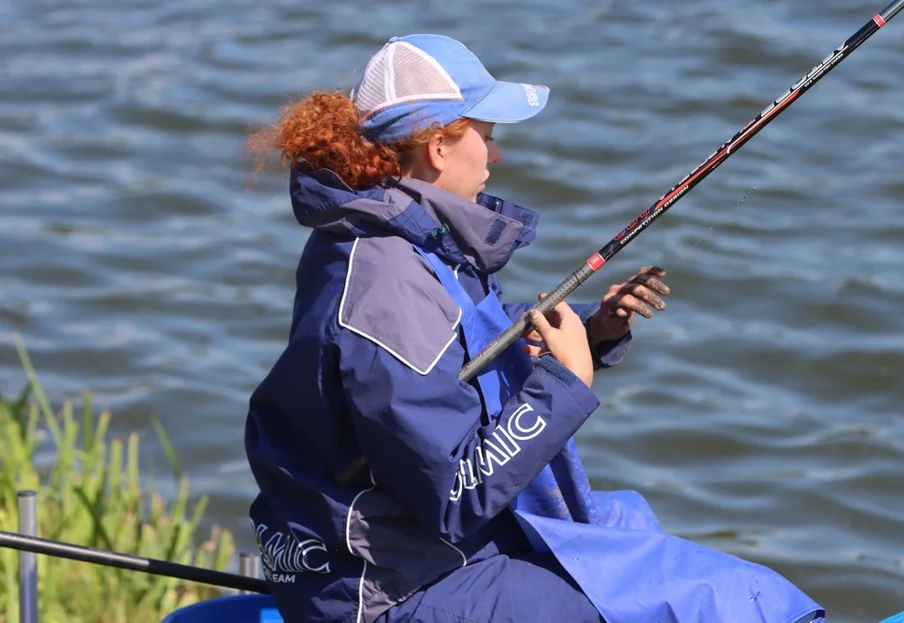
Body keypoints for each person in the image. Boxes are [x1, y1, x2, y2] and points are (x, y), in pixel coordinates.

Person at [244, 33, 825, 623]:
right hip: (394, 590)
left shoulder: (400, 235)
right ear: (440, 147)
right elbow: (452, 492)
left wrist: (591, 333)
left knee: (630, 523)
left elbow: (448, 380)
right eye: (488, 138)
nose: (495, 158)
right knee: (730, 598)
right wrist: (566, 381)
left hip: (414, 549)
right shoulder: (387, 287)